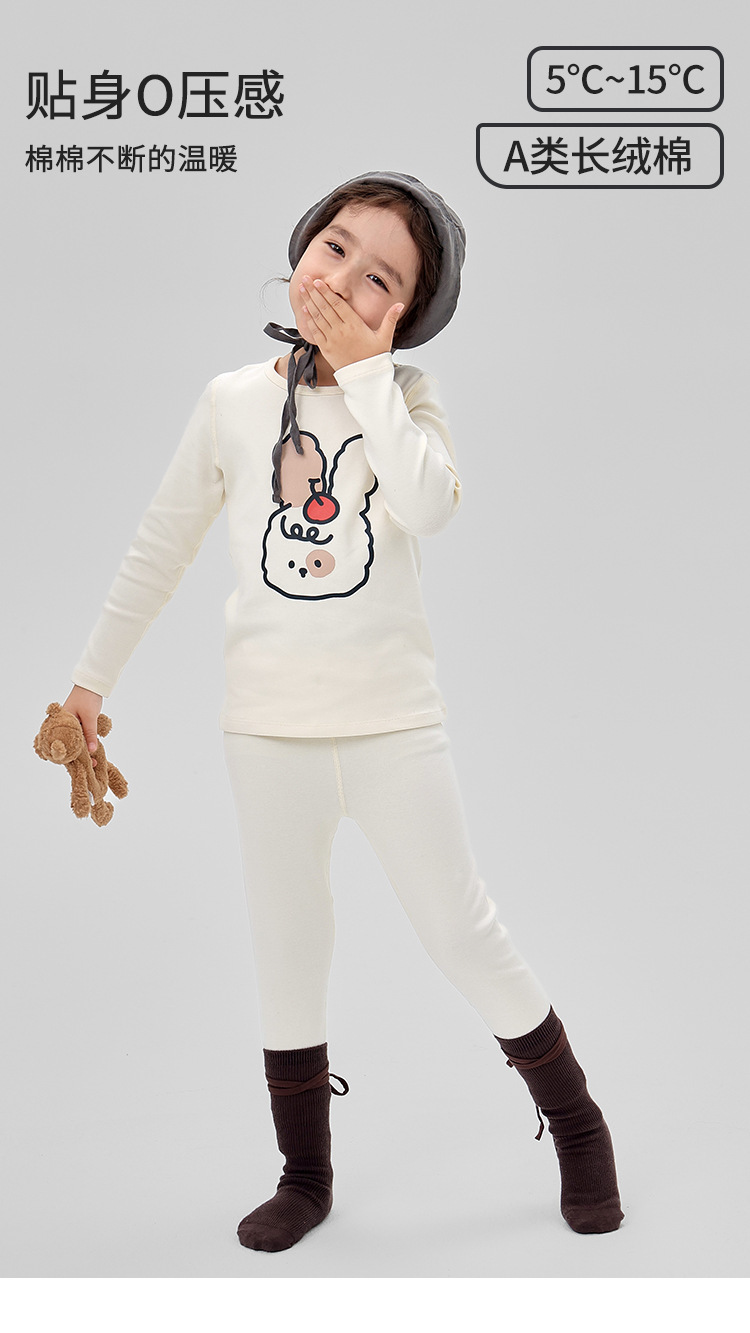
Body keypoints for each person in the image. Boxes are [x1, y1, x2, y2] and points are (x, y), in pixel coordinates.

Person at [62, 170, 624, 1253]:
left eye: (380, 278)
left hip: (392, 728)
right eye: (335, 247)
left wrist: (368, 374)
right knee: (288, 946)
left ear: (405, 313)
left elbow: (427, 505)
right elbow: (159, 545)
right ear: (300, 247)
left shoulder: (407, 401)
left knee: (459, 927)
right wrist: (91, 681)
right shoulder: (232, 401)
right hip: (266, 731)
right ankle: (305, 1174)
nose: (343, 278)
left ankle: (580, 1125)